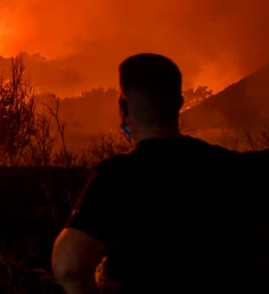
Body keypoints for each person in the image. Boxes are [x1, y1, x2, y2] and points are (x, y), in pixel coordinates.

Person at [52, 53, 264, 294]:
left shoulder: (116, 177)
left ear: (123, 107)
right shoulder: (231, 167)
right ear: (179, 102)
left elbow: (68, 267)